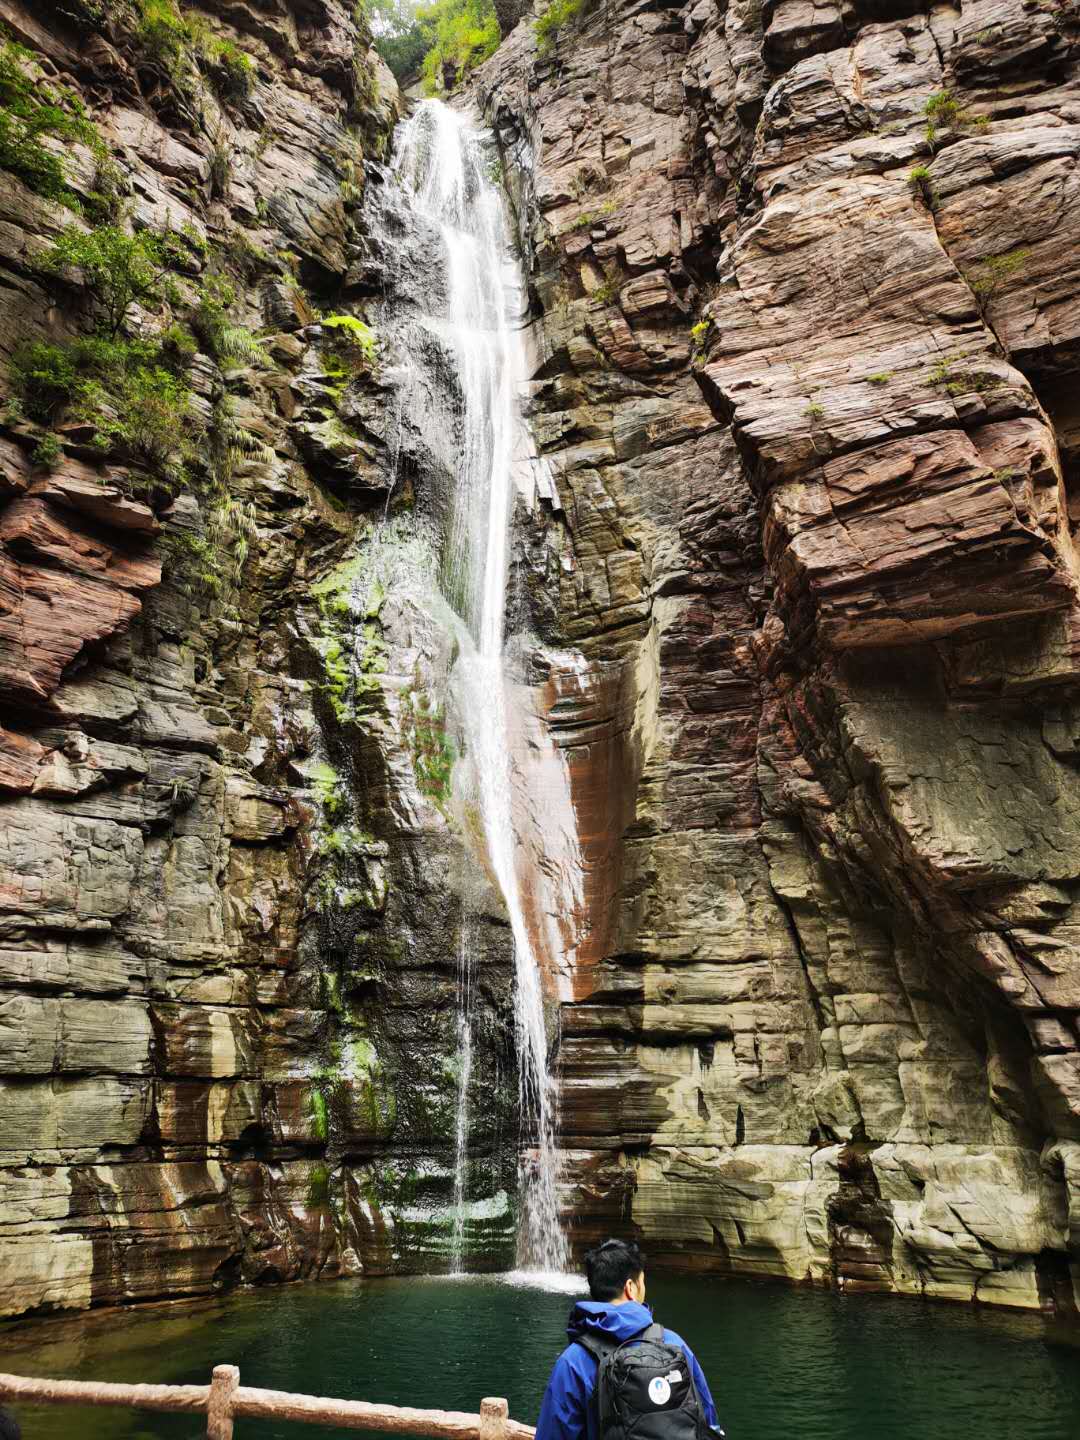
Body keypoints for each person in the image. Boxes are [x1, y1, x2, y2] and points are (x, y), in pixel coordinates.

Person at [535, 1239, 724, 1440]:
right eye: (643, 1282)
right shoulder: (673, 1343)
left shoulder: (574, 1361)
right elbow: (709, 1422)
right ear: (630, 1287)